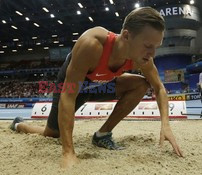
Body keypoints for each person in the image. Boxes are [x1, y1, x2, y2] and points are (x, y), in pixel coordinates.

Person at [10, 7, 183, 168]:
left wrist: (166, 125)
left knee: (141, 84)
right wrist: (68, 152)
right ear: (126, 35)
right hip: (73, 86)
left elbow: (159, 88)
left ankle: (102, 134)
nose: (152, 54)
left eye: (156, 47)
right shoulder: (92, 44)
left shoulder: (142, 58)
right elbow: (68, 96)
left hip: (101, 85)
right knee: (52, 133)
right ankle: (20, 125)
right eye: (148, 46)